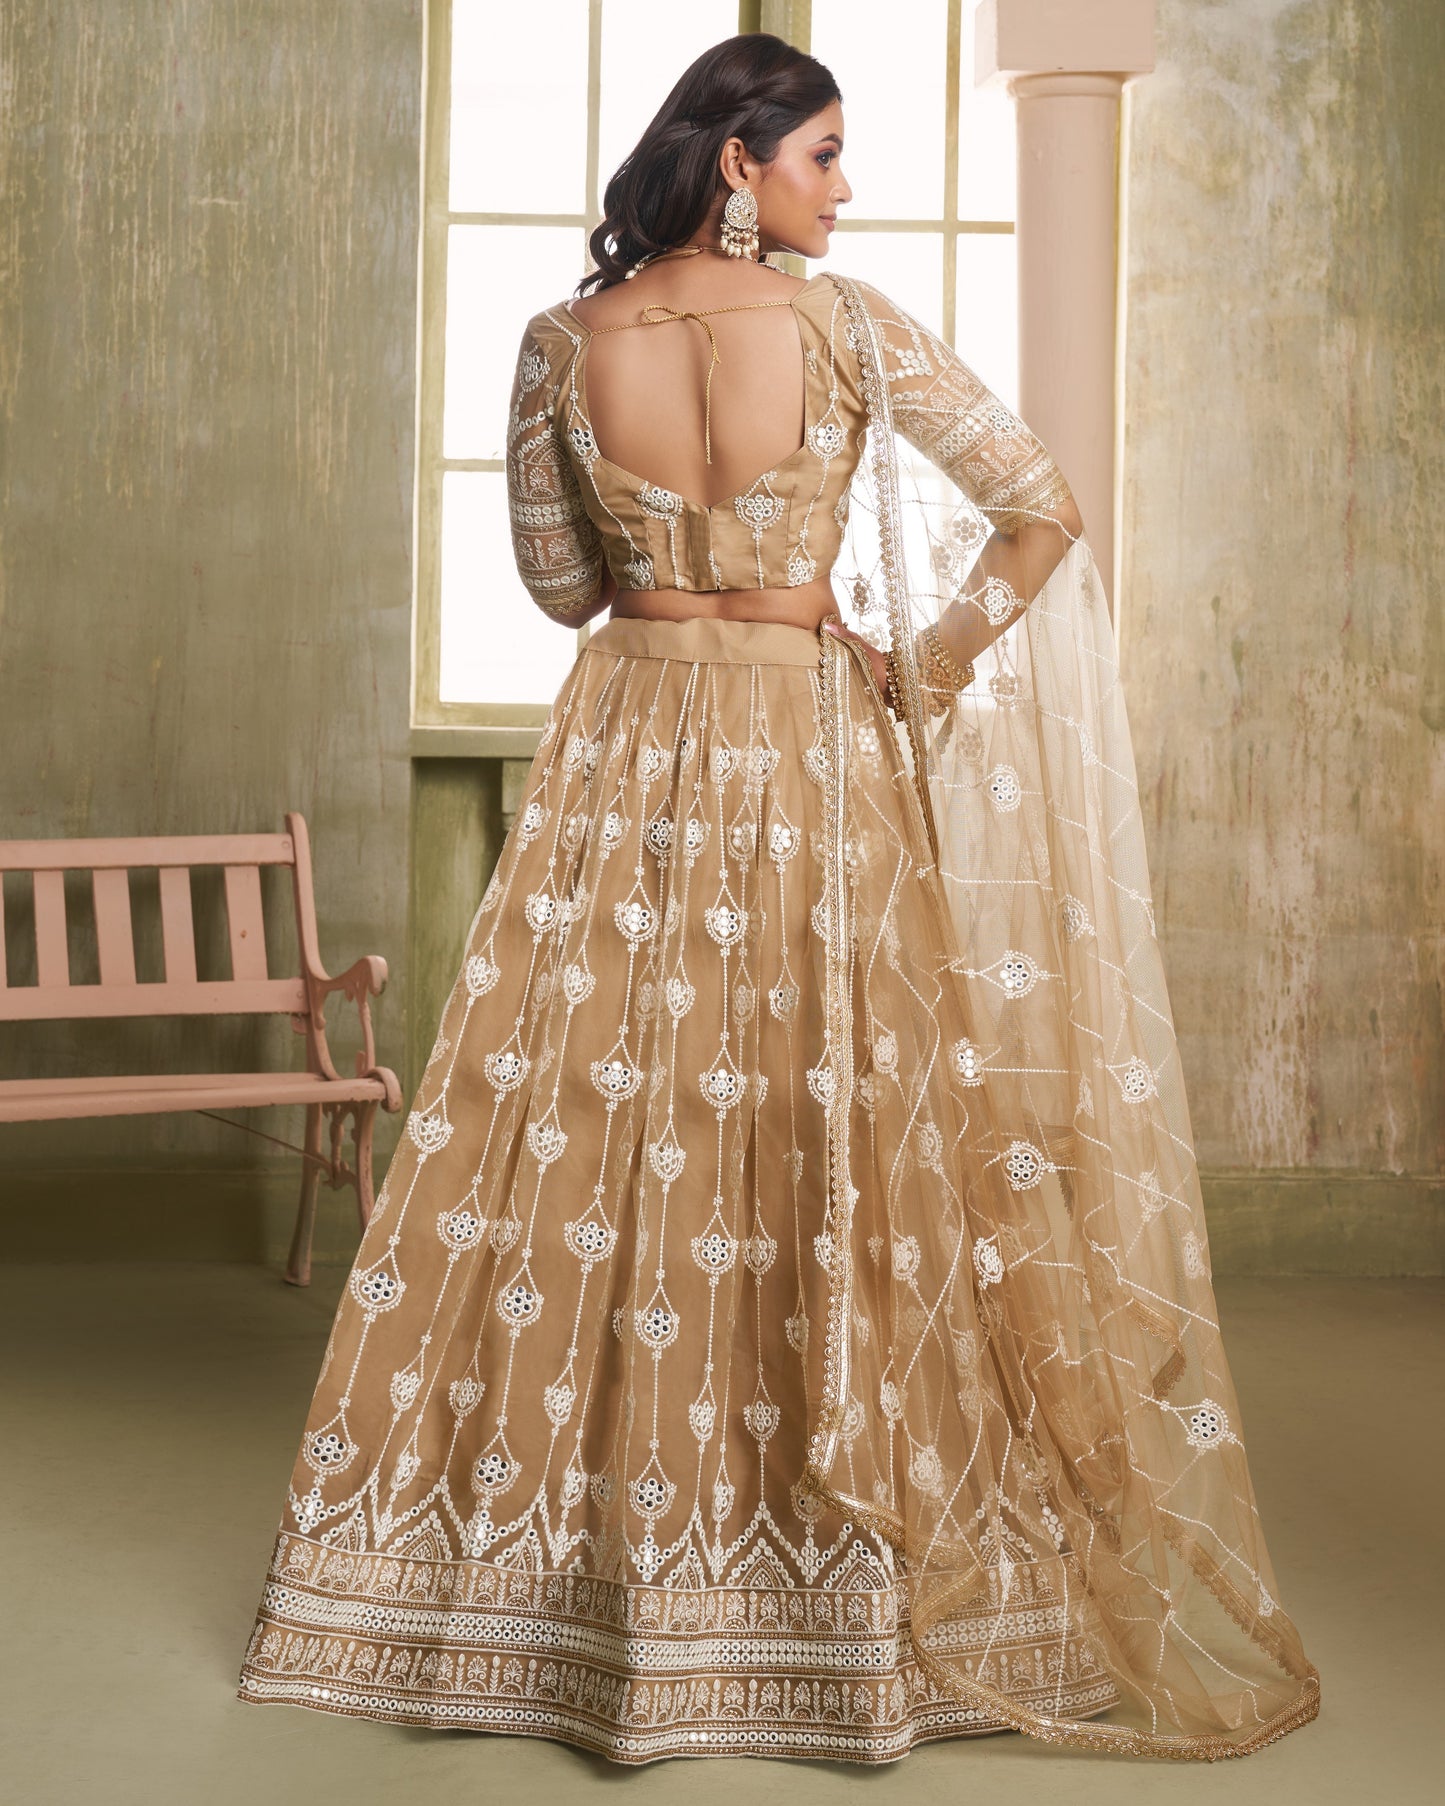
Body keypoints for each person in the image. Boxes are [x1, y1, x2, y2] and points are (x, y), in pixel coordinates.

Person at [237, 32, 1319, 1764]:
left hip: (627, 748)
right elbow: (1038, 511)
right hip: (808, 742)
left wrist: (664, 541)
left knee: (591, 1128)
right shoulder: (848, 330)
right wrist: (929, 661)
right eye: (819, 152)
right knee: (841, 1114)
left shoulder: (559, 344)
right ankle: (829, 1593)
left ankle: (575, 1586)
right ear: (734, 164)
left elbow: (557, 586)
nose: (841, 184)